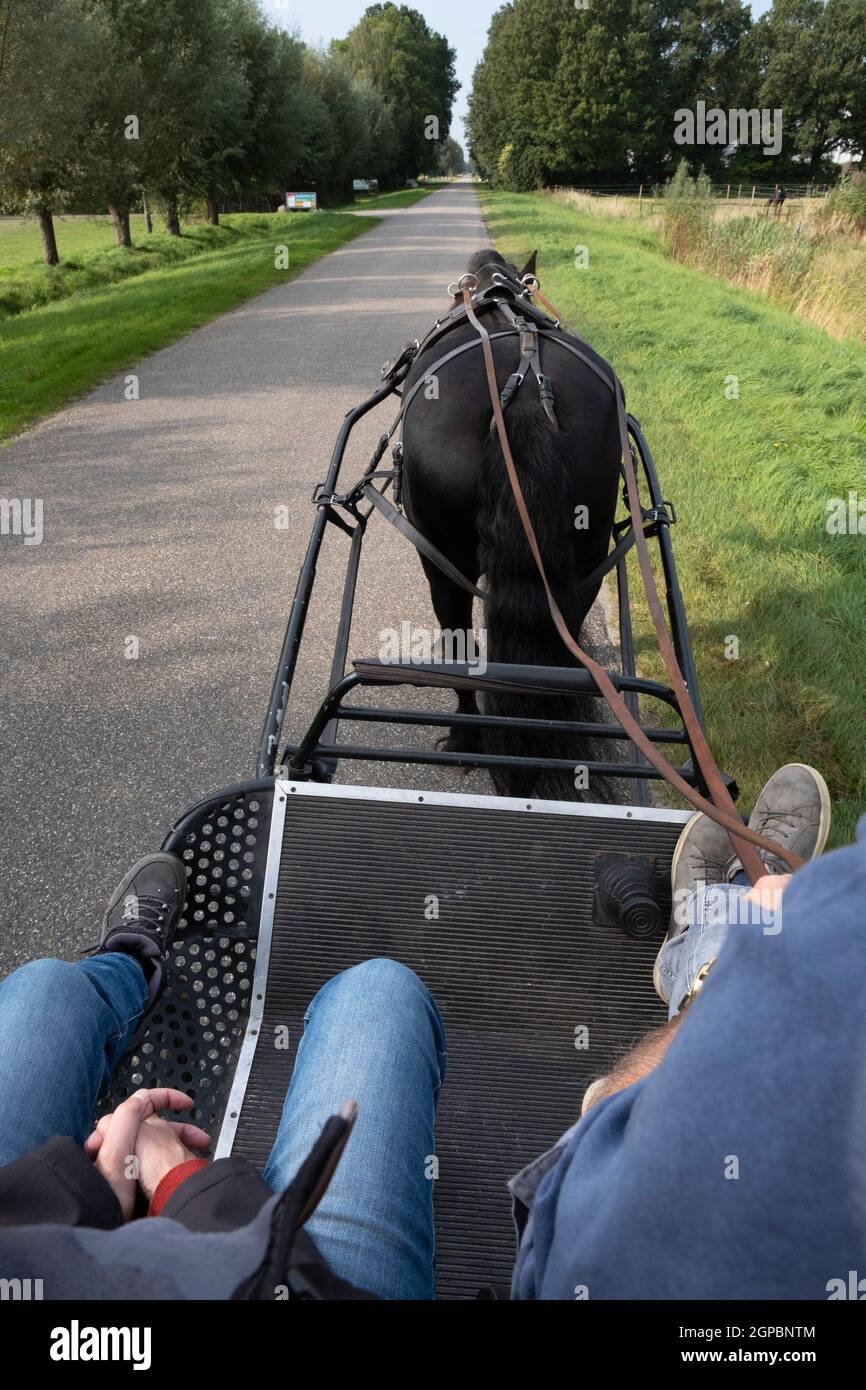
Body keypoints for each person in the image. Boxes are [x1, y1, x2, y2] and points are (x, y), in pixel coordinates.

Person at [0, 763, 863, 1299]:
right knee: (377, 992)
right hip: (271, 1264)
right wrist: (176, 1178)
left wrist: (76, 1191)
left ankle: (130, 959)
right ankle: (715, 959)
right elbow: (237, 1267)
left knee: (42, 990)